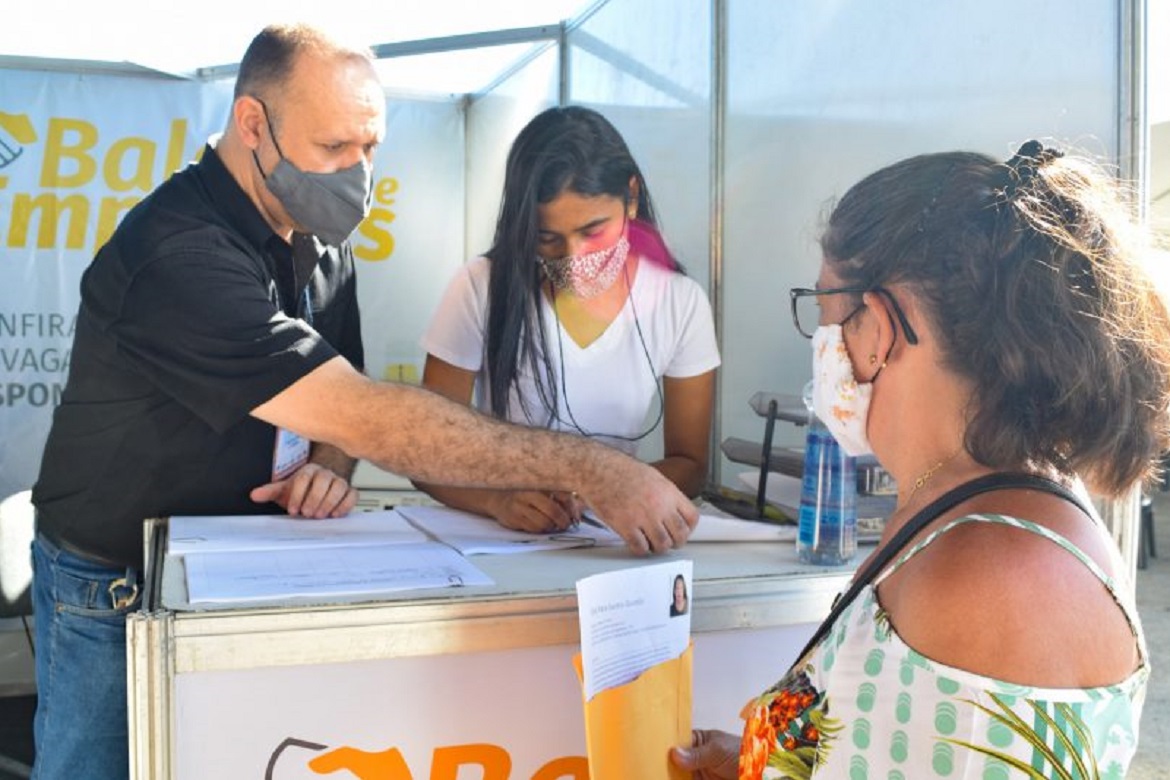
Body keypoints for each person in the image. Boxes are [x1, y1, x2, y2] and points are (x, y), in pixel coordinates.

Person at [28, 25, 697, 780]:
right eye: (335, 148)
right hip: (117, 588)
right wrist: (598, 470)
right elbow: (369, 413)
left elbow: (340, 402)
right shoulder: (178, 252)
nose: (358, 174)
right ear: (253, 125)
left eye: (371, 148)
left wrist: (329, 463)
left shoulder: (319, 236)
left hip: (243, 563)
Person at [671, 141, 1169, 778]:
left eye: (826, 314)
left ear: (876, 326)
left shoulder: (987, 580)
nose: (823, 344)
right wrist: (758, 763)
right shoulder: (959, 516)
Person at [416, 106, 720, 532]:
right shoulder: (481, 287)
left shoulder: (682, 303)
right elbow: (425, 453)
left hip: (613, 540)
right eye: (548, 239)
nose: (575, 259)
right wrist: (495, 500)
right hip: (505, 542)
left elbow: (690, 463)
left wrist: (614, 488)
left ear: (631, 198)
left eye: (594, 232)